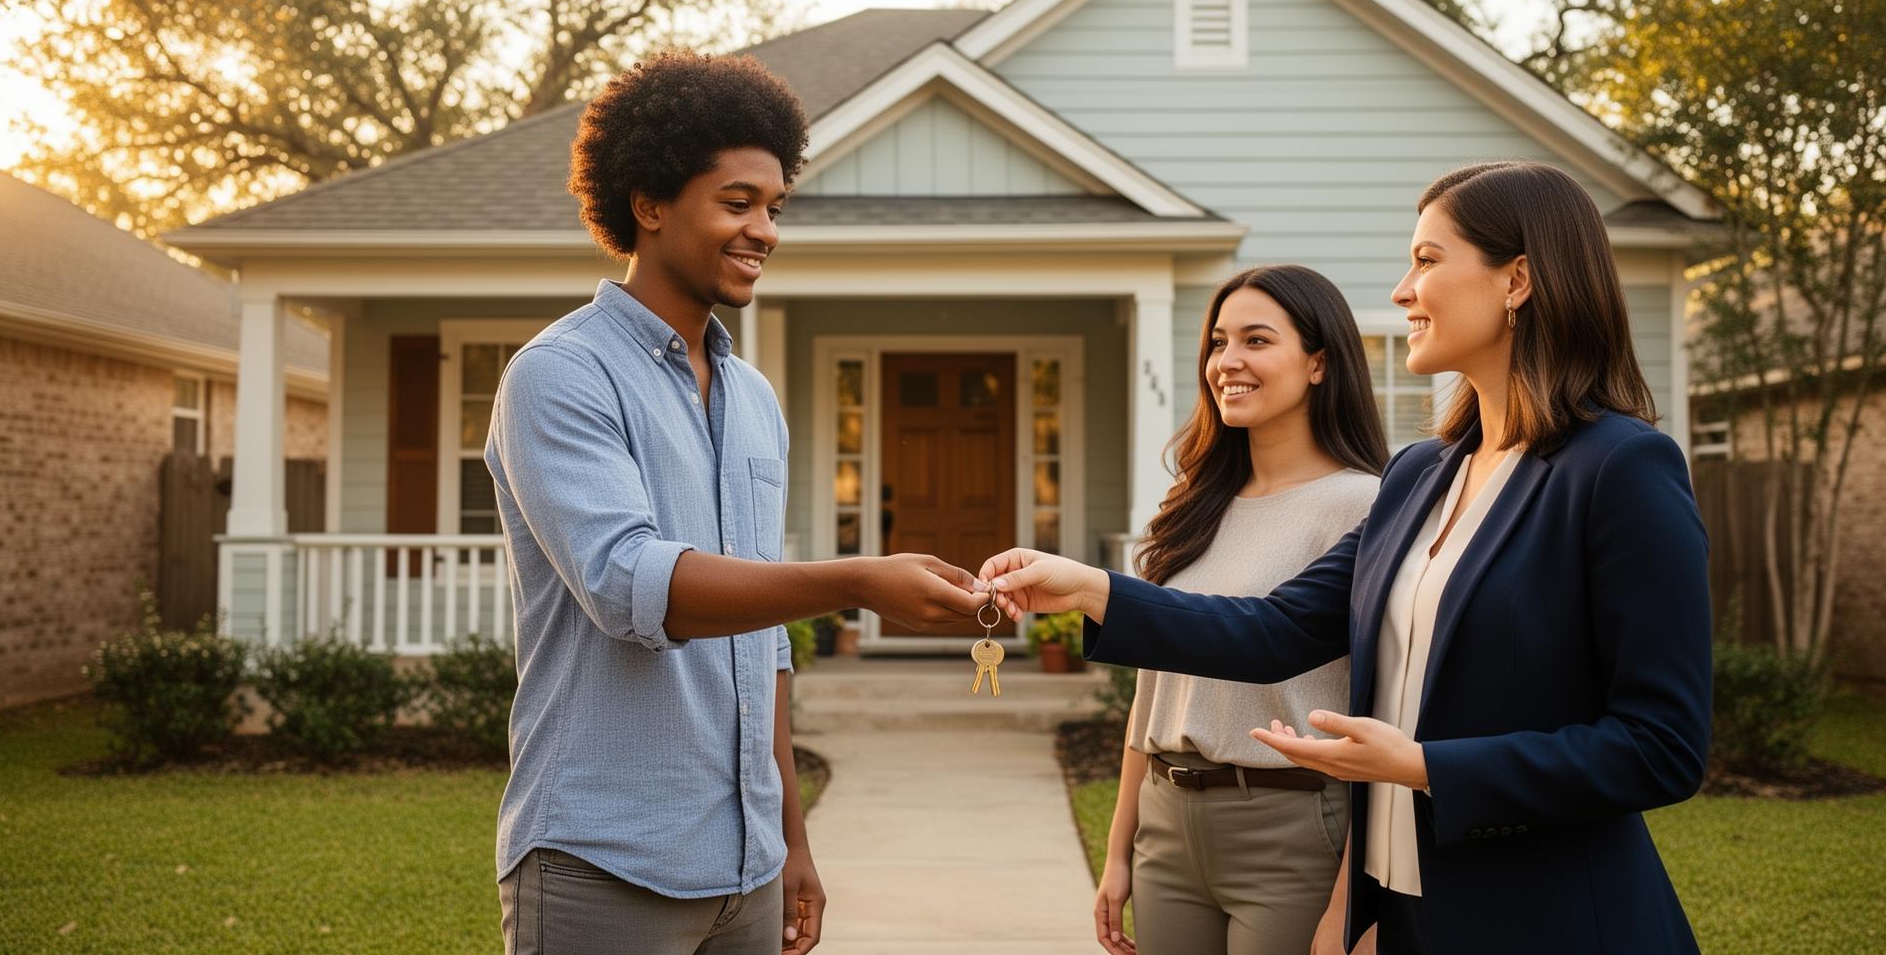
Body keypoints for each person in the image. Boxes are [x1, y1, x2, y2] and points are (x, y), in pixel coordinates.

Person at [983, 162, 1711, 955]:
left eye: (1427, 261)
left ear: (1519, 280)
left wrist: (1428, 766)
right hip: (1403, 917)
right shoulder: (1420, 475)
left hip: (1544, 917)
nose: (1402, 290)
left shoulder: (1619, 469)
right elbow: (1274, 631)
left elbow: (1661, 747)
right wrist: (1090, 589)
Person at [487, 52, 984, 955]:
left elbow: (764, 648)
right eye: (737, 202)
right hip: (604, 859)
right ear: (648, 204)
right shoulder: (559, 376)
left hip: (746, 869)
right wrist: (858, 581)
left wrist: (790, 837)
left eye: (775, 206)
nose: (765, 229)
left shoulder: (753, 398)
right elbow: (631, 586)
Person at [1096, 265, 1386, 955]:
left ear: (1319, 363)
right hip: (1166, 823)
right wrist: (1120, 847)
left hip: (1291, 827)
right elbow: (1153, 688)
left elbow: (1385, 711)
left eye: (1257, 341)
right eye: (1219, 342)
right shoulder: (1193, 505)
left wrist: (1351, 904)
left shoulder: (1366, 506)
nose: (1228, 362)